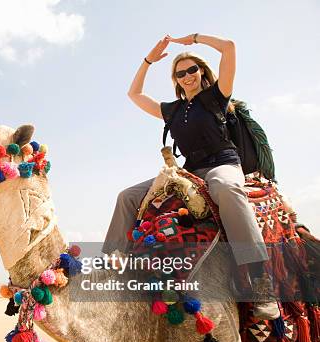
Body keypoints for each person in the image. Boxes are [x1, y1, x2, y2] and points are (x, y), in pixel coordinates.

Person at [103, 33, 279, 319]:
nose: (187, 76)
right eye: (180, 73)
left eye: (192, 70)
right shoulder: (172, 111)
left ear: (201, 71)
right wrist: (148, 60)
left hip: (223, 164)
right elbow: (133, 95)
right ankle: (109, 267)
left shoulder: (217, 96)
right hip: (188, 171)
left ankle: (261, 283)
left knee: (224, 187)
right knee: (128, 197)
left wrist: (193, 39)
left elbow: (230, 47)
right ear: (175, 79)